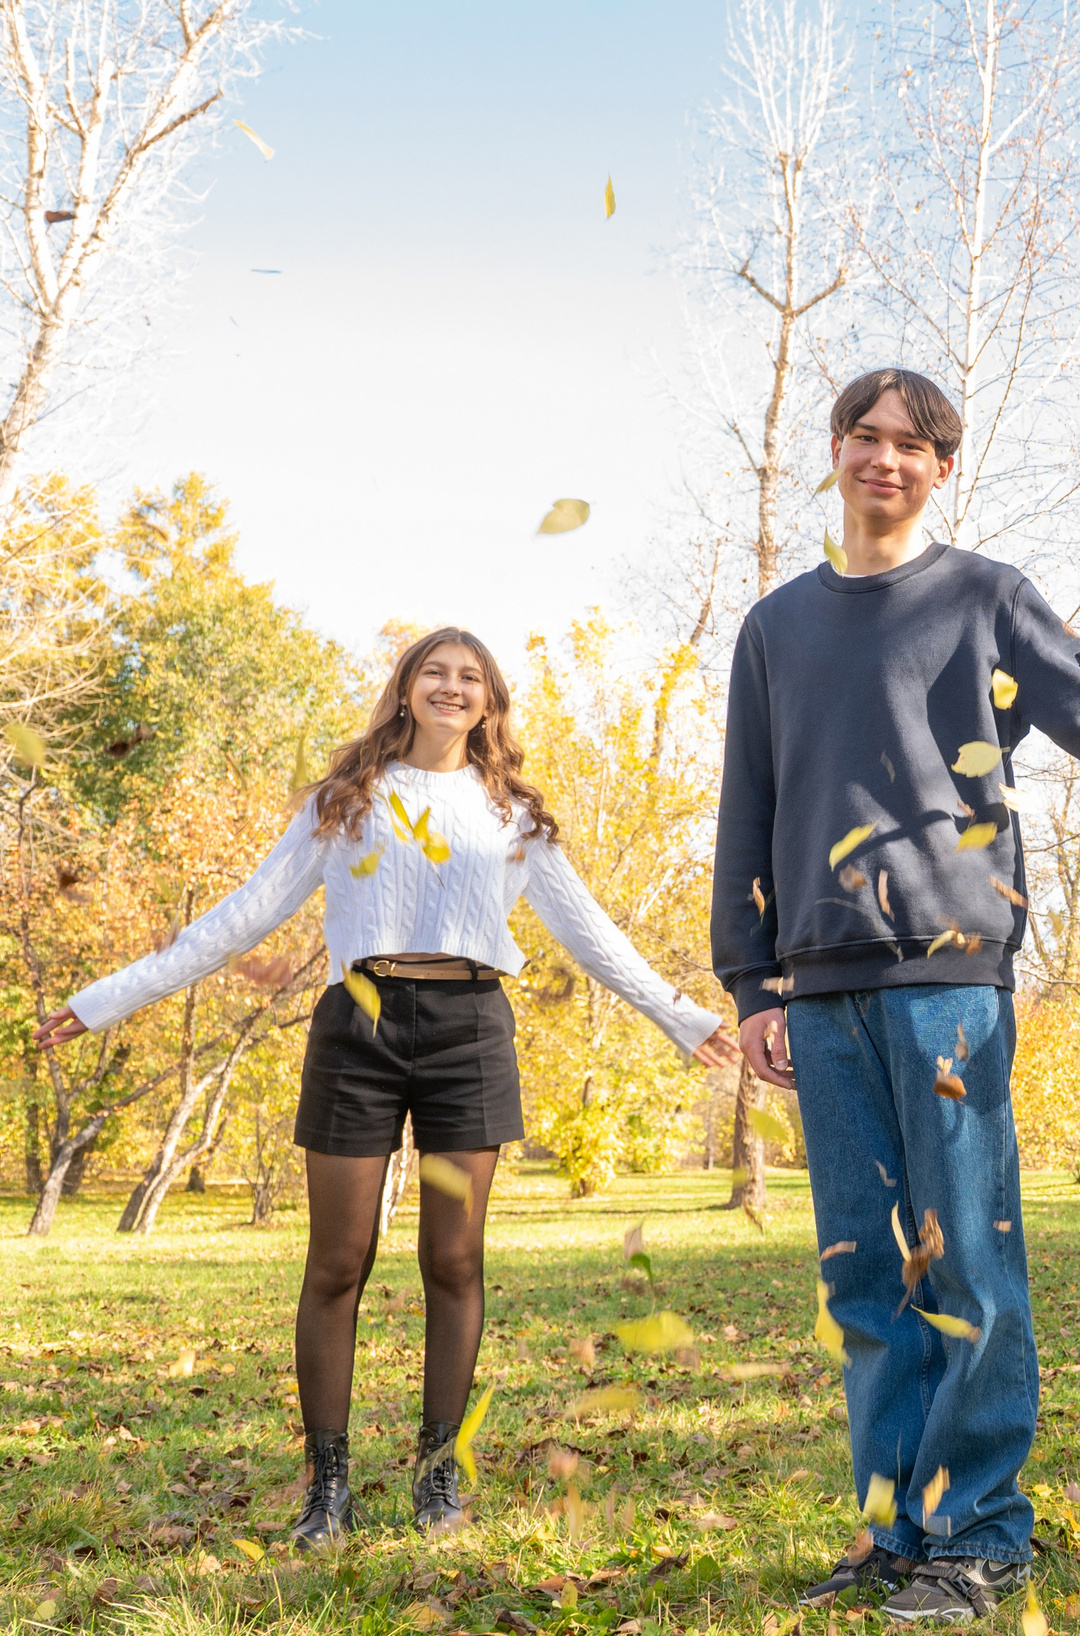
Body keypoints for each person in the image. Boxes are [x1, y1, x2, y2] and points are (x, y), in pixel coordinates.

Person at [715, 367, 1080, 1625]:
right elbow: (749, 808)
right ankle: (894, 1528)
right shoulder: (775, 626)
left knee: (967, 1264)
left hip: (947, 981)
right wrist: (747, 977)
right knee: (861, 1277)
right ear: (833, 453)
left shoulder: (985, 600)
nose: (885, 458)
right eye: (865, 437)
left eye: (911, 444)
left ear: (944, 467)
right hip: (820, 993)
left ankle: (978, 1529)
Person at [35, 628, 738, 1543]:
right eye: (434, 673)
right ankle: (328, 1488)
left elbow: (592, 933)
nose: (452, 687)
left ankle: (437, 1478)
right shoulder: (344, 800)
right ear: (405, 689)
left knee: (454, 1260)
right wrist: (105, 998)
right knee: (338, 1261)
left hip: (471, 1031)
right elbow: (241, 916)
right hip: (356, 1029)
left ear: (490, 701)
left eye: (470, 677)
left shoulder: (512, 811)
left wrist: (685, 1017)